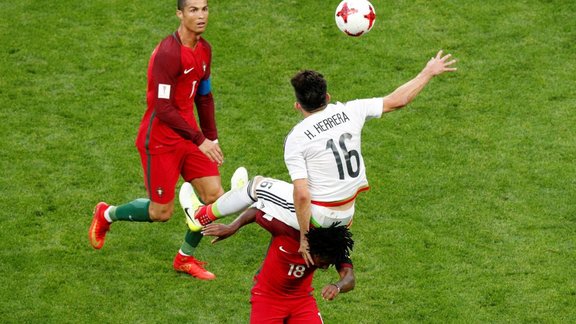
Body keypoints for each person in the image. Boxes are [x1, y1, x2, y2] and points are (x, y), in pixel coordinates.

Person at [186, 50, 457, 266]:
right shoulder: (351, 111)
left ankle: (201, 216)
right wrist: (427, 72)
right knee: (270, 198)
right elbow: (398, 100)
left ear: (297, 105)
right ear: (327, 97)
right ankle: (233, 200)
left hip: (319, 218)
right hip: (347, 215)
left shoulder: (297, 137)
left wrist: (305, 238)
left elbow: (302, 195)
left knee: (257, 185)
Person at [88, 0, 237, 280]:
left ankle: (184, 258)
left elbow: (204, 96)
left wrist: (211, 137)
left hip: (190, 137)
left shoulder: (205, 49)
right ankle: (107, 214)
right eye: (193, 10)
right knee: (161, 212)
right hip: (160, 140)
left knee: (214, 196)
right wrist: (199, 139)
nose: (201, 15)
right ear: (179, 14)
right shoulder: (168, 54)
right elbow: (163, 107)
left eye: (204, 9)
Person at [201, 206, 355, 323]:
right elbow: (256, 211)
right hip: (267, 298)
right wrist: (232, 227)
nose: (324, 267)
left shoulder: (333, 247)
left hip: (301, 300)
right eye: (322, 263)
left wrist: (337, 286)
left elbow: (349, 278)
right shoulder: (286, 230)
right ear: (314, 251)